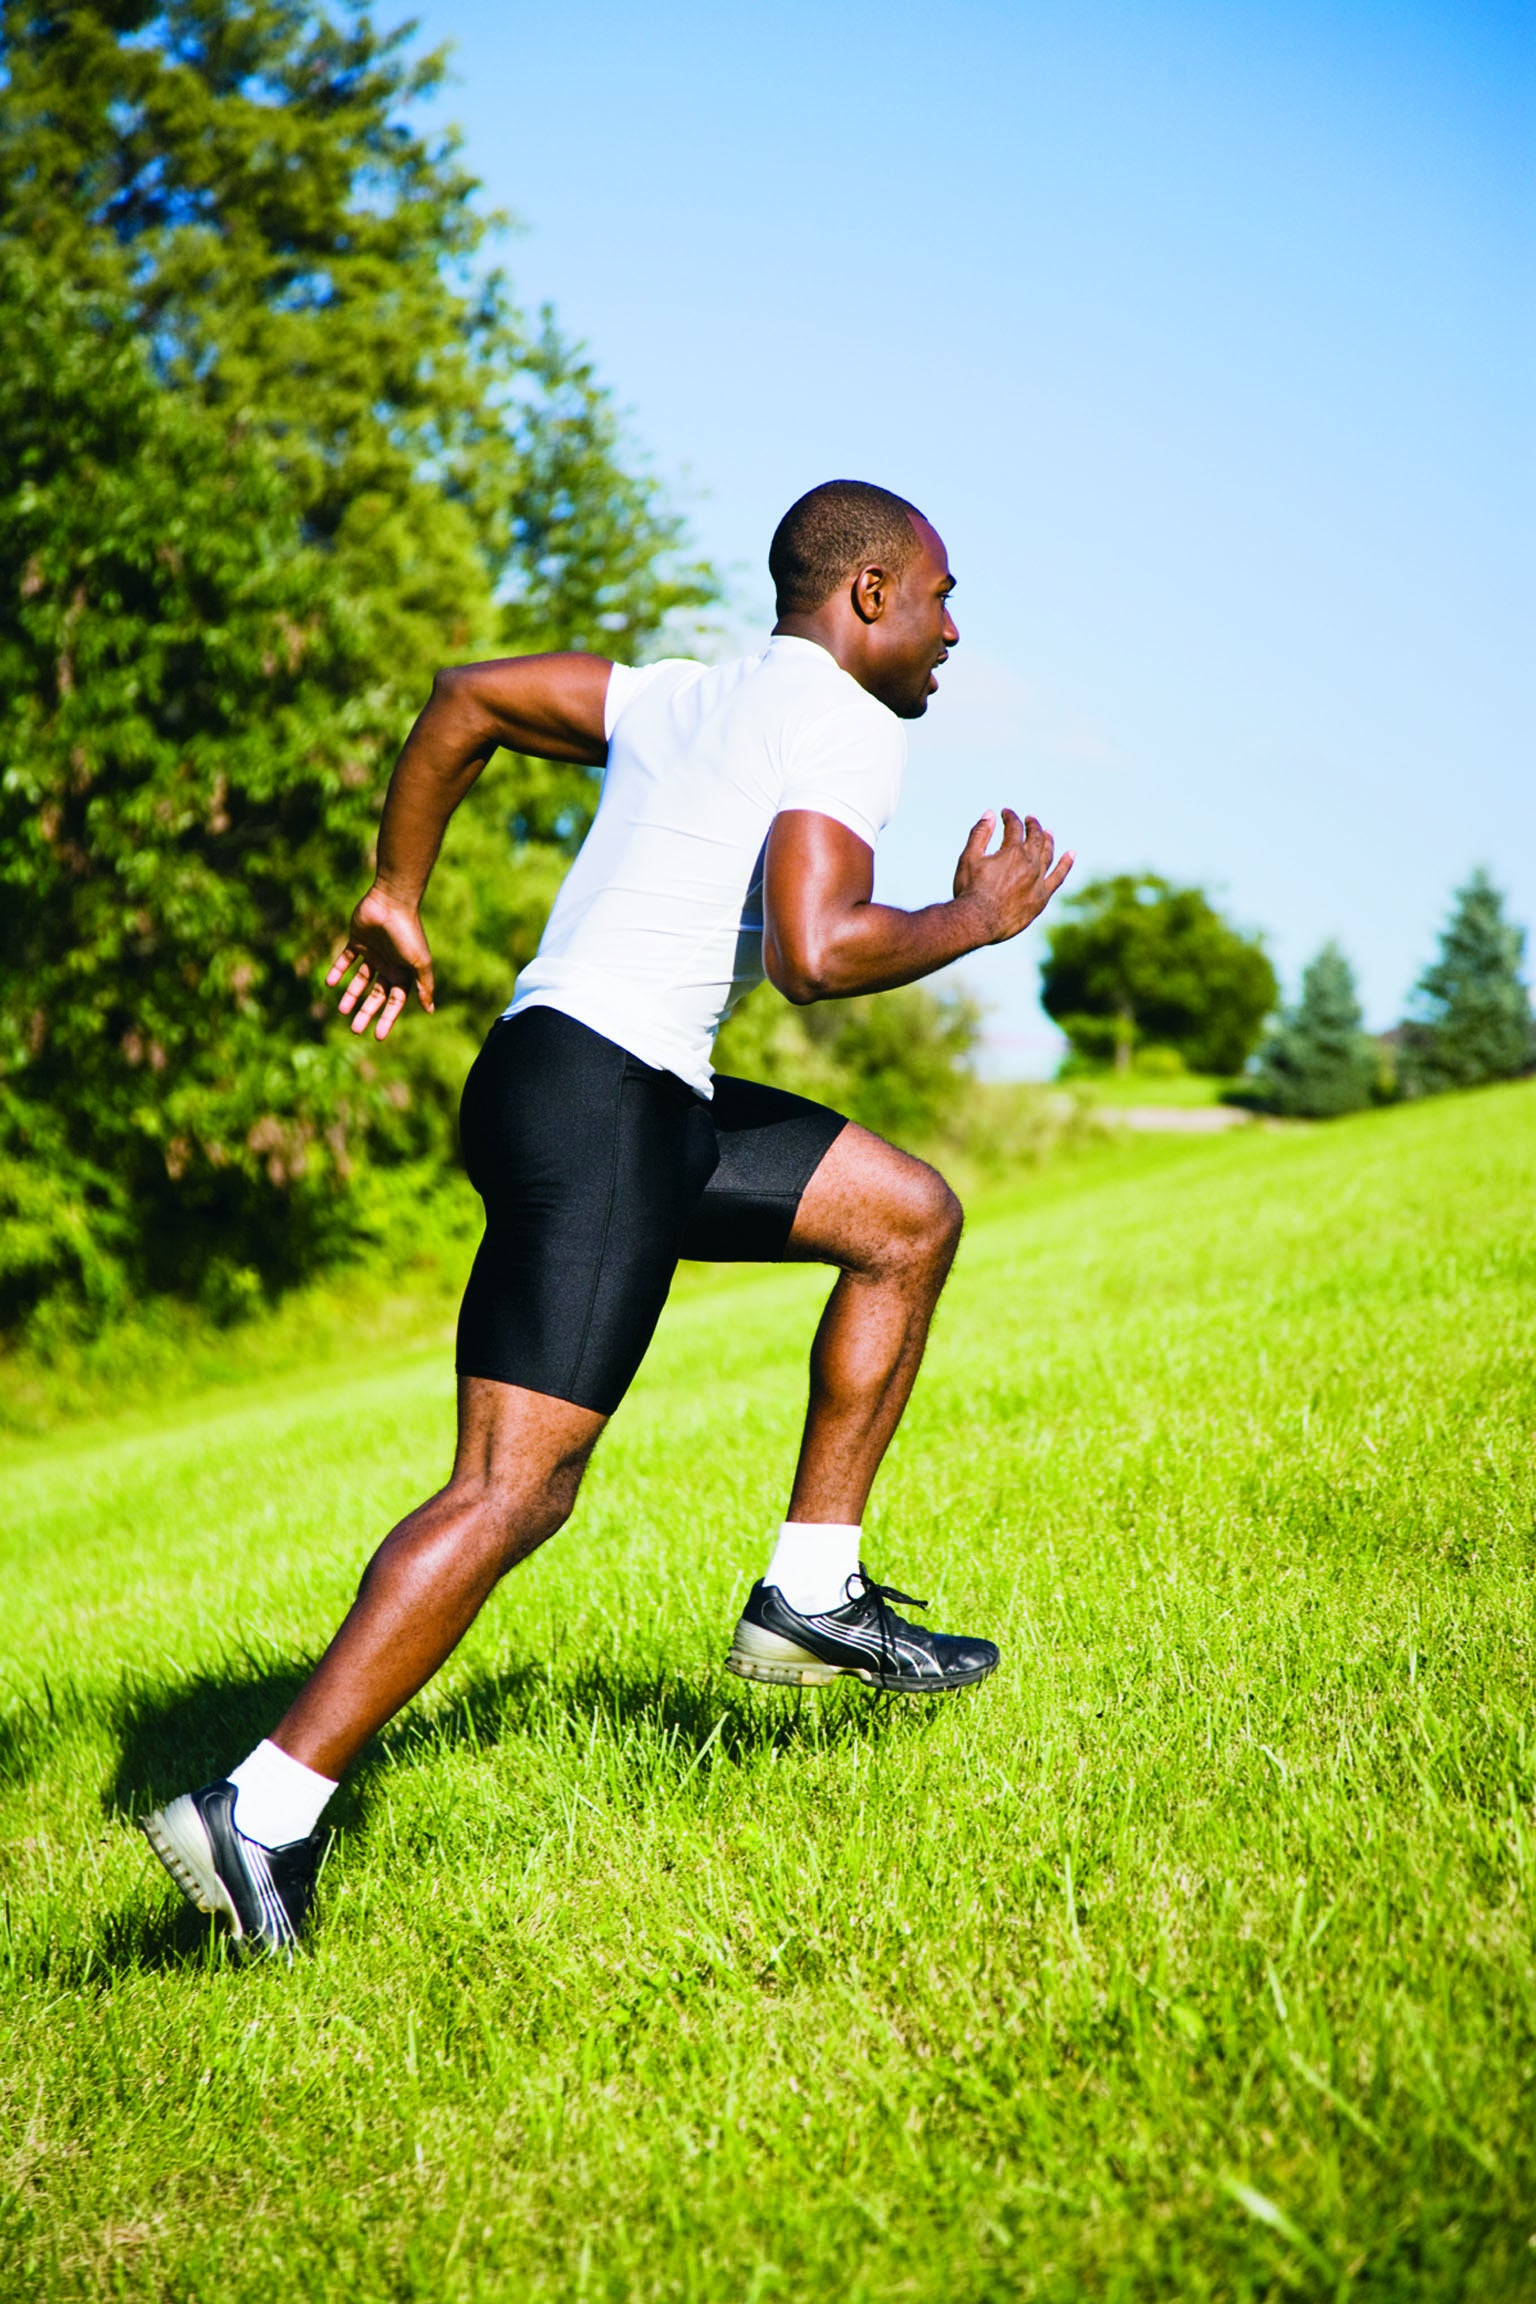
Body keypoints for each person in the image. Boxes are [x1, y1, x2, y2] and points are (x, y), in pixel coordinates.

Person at [141, 480, 1073, 1953]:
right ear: (872, 595)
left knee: (905, 1217)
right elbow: (824, 955)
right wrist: (977, 918)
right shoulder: (839, 718)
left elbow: (467, 701)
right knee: (514, 1491)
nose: (957, 631)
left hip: (588, 1082)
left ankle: (811, 1592)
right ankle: (261, 1811)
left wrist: (400, 888)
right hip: (609, 1102)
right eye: (944, 596)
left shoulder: (683, 700)